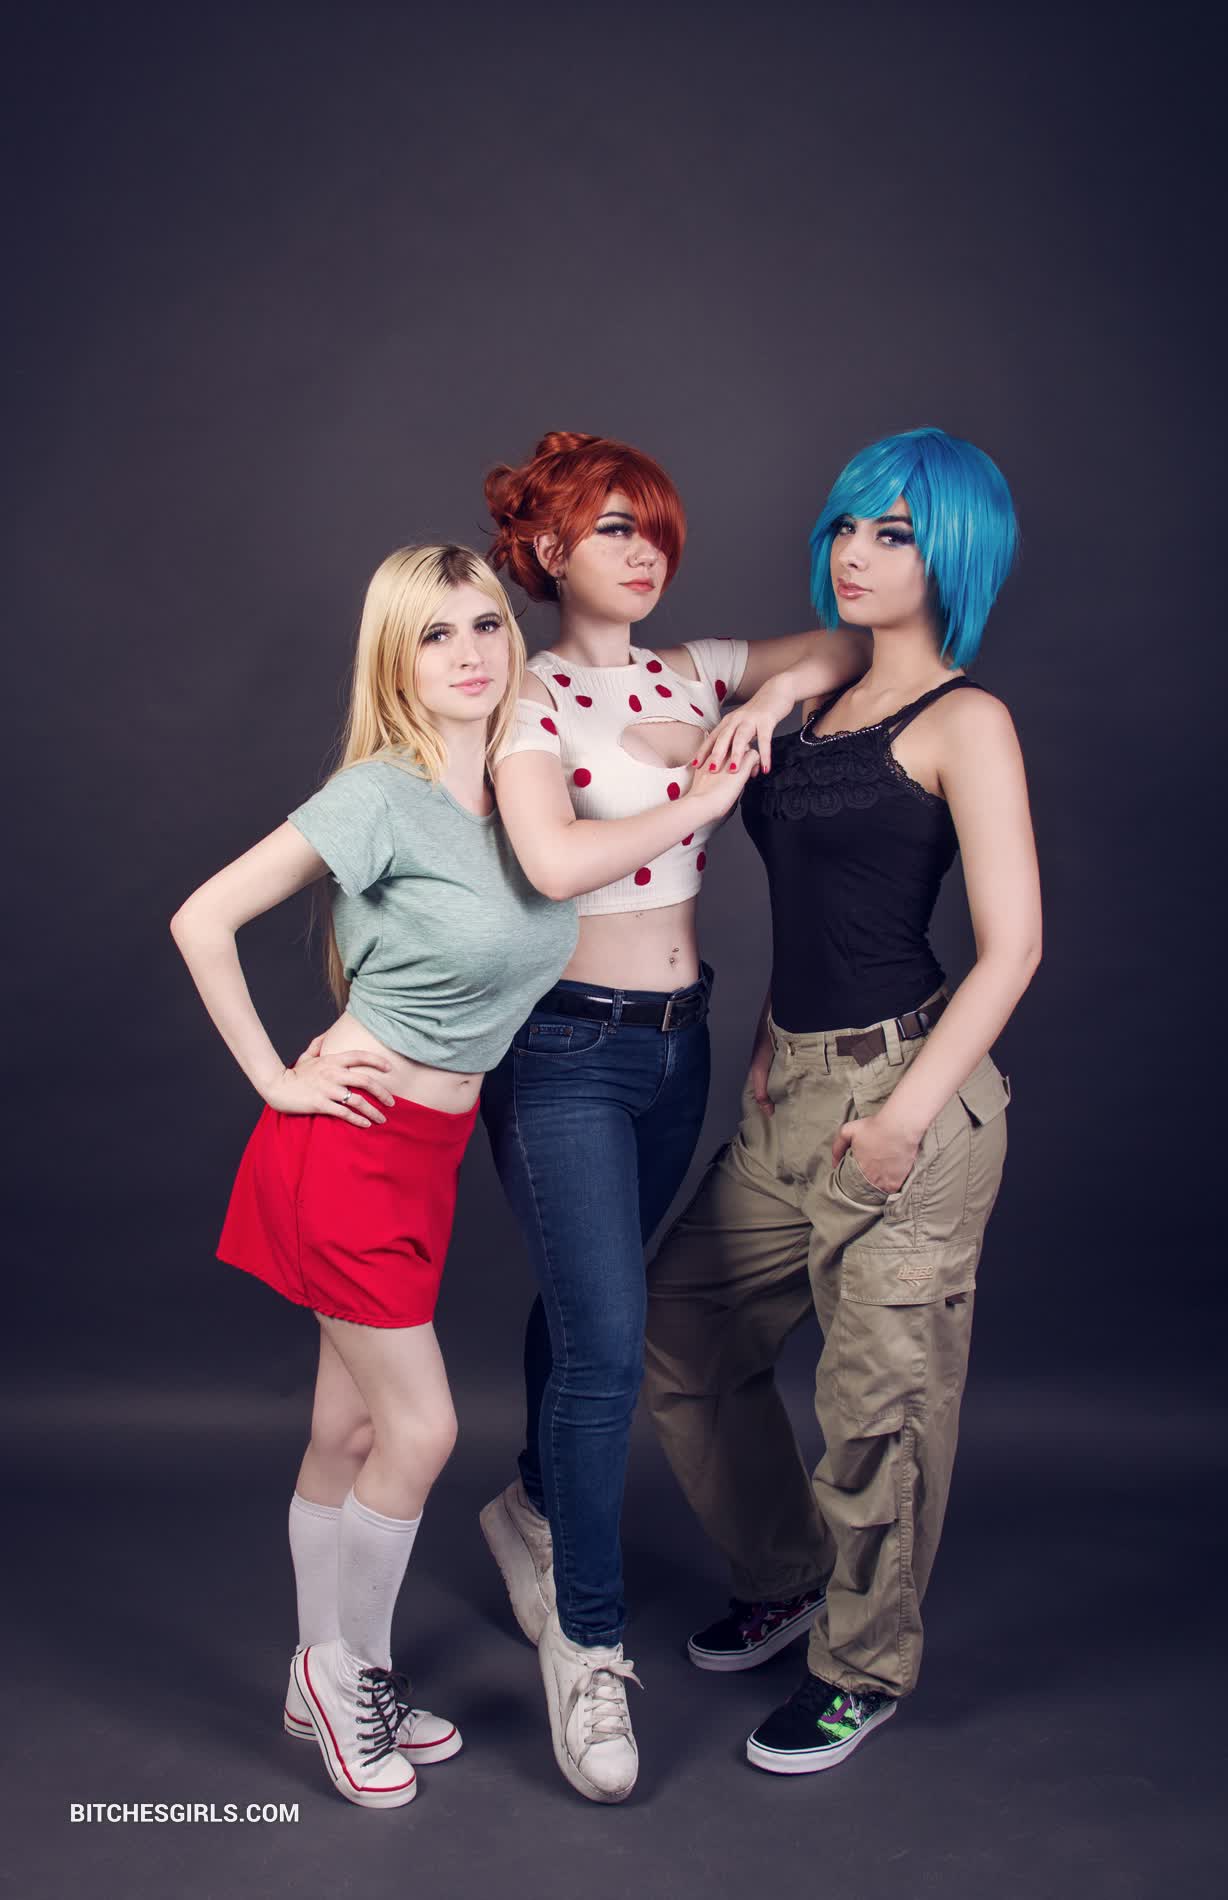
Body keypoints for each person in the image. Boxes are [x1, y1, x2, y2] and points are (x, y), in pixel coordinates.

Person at [476, 430, 869, 1802]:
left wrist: (754, 710)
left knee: (588, 1307)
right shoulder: (522, 696)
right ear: (546, 550)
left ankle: (531, 1502)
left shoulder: (691, 669)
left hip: (677, 1048)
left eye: (652, 528)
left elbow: (842, 648)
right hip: (563, 1052)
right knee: (610, 1339)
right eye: (610, 528)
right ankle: (588, 1648)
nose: (641, 551)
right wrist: (703, 789)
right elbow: (552, 859)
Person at [644, 426, 1041, 1774]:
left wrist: (907, 1116)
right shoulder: (813, 702)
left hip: (907, 1091)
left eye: (894, 534)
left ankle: (863, 1668)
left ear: (956, 553)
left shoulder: (968, 721)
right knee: (682, 1325)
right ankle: (790, 1574)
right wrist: (772, 1031)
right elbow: (824, 903)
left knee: (879, 1411)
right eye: (847, 529)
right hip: (794, 1085)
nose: (856, 554)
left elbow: (1014, 947)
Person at [170, 545, 579, 1810]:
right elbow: (201, 918)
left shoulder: (523, 795)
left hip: (425, 1159)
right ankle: (348, 1675)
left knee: (347, 1430)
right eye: (436, 633)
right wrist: (275, 1078)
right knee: (423, 1429)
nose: (470, 652)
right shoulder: (378, 795)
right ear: (395, 658)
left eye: (486, 624)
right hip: (344, 1144)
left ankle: (325, 1681)